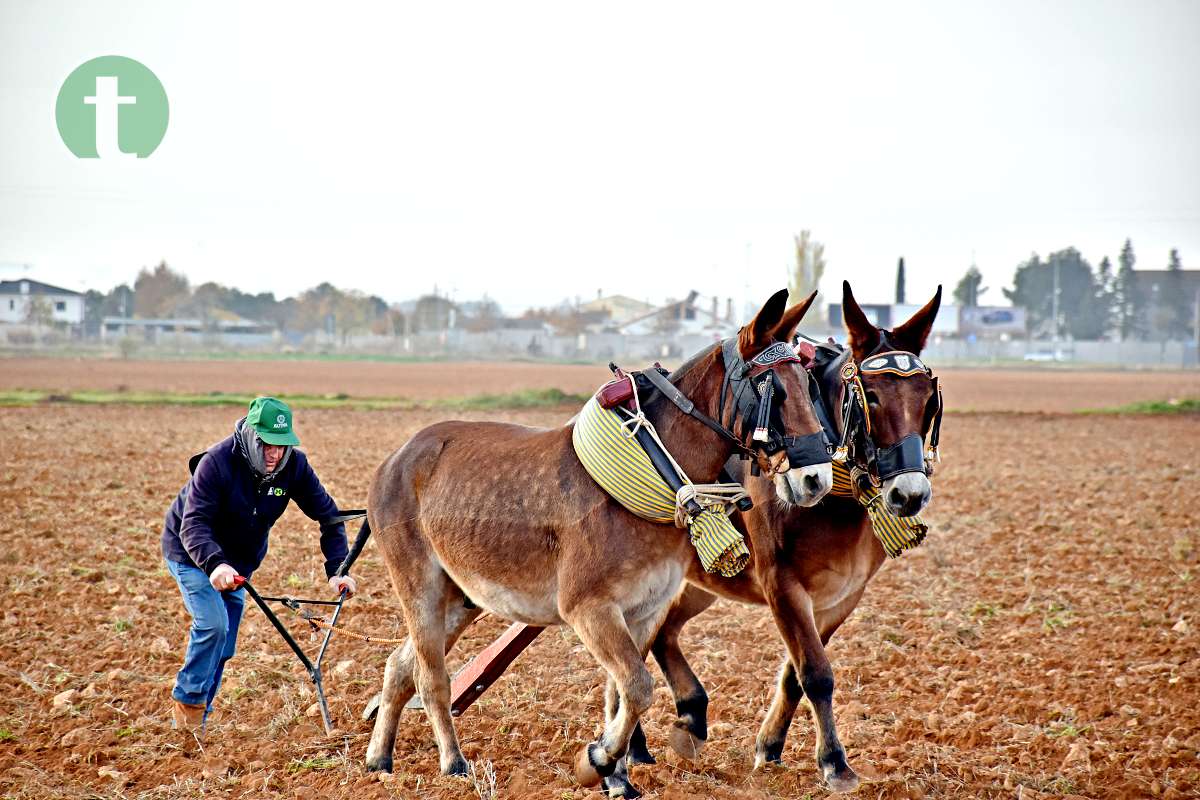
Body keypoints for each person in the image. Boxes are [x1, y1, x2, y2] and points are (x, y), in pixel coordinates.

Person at [160, 396, 357, 738]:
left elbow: (329, 516)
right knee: (213, 626)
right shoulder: (217, 463)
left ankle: (199, 717)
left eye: (282, 446)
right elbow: (193, 525)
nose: (274, 454)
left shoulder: (294, 466)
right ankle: (188, 707)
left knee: (225, 644)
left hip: (238, 562)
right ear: (252, 436)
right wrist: (215, 564)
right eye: (267, 445)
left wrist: (338, 569)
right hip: (192, 554)